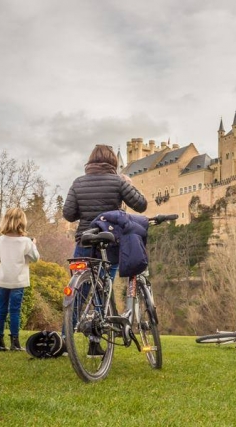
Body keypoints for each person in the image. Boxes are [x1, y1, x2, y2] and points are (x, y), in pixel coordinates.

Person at [62, 144, 146, 356]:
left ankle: (65, 340)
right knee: (103, 290)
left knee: (79, 293)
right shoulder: (117, 181)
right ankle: (95, 341)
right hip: (109, 243)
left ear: (90, 162)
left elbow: (69, 214)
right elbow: (141, 205)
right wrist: (128, 184)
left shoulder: (78, 182)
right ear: (113, 163)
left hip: (84, 241)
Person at [0, 207, 40, 351]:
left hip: (3, 279)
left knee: (1, 310)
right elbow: (35, 258)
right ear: (22, 222)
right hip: (18, 280)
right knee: (14, 311)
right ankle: (15, 342)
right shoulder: (25, 241)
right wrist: (34, 244)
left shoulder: (0, 240)